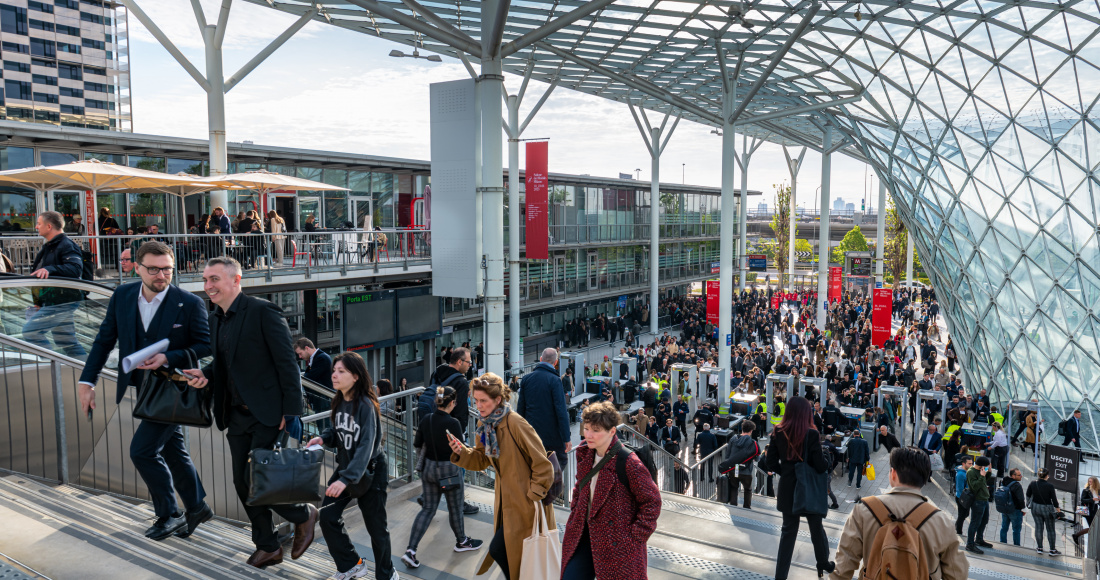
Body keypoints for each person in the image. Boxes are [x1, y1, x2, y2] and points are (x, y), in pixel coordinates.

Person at [183, 256, 317, 568]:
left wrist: (291, 411)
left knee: (257, 480)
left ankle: (303, 514)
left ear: (235, 280)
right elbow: (223, 362)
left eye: (214, 279)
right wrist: (206, 373)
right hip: (235, 413)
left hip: (268, 412)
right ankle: (268, 545)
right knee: (242, 484)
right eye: (205, 280)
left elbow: (287, 363)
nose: (208, 286)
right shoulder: (215, 318)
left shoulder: (262, 311)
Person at [77, 241, 212, 540]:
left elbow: (205, 345)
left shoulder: (189, 303)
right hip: (142, 388)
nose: (161, 275)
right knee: (173, 450)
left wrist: (169, 357)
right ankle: (197, 506)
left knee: (142, 451)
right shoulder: (123, 295)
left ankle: (170, 514)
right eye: (153, 269)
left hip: (173, 391)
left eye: (167, 269)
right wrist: (87, 381)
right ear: (136, 268)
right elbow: (103, 340)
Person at [448, 373, 555, 580]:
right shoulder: (486, 425)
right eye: (475, 400)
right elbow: (481, 459)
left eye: (483, 401)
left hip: (526, 505)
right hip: (507, 503)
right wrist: (461, 451)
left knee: (517, 555)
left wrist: (533, 495)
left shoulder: (514, 423)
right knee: (507, 553)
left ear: (497, 400)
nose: (478, 405)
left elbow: (542, 464)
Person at [302, 352, 397, 580]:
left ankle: (386, 574)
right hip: (347, 467)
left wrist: (345, 479)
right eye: (334, 370)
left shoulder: (366, 405)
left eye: (341, 371)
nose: (334, 375)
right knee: (327, 517)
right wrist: (323, 438)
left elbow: (366, 446)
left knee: (377, 529)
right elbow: (338, 431)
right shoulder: (338, 400)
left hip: (370, 471)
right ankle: (350, 564)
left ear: (355, 376)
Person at [829, 447, 968, 580]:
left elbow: (844, 564)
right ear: (925, 478)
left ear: (893, 473)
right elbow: (957, 573)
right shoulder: (940, 520)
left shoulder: (863, 510)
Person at [560, 401, 662, 580]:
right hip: (584, 533)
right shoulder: (585, 451)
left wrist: (633, 537)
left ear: (612, 431)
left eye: (596, 430)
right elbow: (580, 485)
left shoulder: (628, 462)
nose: (589, 435)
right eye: (587, 428)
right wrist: (575, 507)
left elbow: (652, 501)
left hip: (616, 543)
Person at [401, 384, 483, 570]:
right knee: (455, 508)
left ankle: (411, 551)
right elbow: (461, 450)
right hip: (450, 471)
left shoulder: (426, 419)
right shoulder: (453, 423)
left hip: (429, 468)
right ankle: (462, 541)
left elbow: (417, 443)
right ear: (452, 403)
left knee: (428, 509)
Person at [766, 396, 834, 579]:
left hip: (788, 490)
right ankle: (823, 563)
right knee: (816, 528)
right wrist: (827, 458)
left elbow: (770, 461)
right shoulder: (811, 434)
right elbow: (820, 466)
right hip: (808, 489)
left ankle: (780, 576)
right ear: (806, 413)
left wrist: (787, 473)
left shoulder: (778, 431)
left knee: (788, 533)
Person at [22, 211, 87, 358]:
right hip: (57, 300)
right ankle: (86, 371)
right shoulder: (50, 246)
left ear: (49, 226)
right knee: (66, 340)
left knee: (31, 332)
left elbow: (75, 269)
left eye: (39, 224)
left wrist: (49, 269)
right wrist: (39, 302)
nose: (36, 227)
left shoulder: (66, 245)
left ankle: (50, 366)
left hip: (61, 301)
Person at [428, 347, 478, 515]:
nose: (470, 365)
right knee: (459, 466)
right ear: (459, 362)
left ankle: (428, 497)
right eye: (469, 362)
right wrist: (460, 433)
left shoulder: (438, 373)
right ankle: (458, 503)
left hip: (435, 424)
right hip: (452, 430)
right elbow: (462, 412)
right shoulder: (461, 382)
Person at [515, 348, 573, 461]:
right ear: (555, 362)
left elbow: (520, 409)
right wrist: (566, 438)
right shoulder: (555, 380)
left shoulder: (526, 379)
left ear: (541, 359)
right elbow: (561, 411)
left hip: (530, 434)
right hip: (551, 438)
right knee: (557, 464)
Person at [719, 419, 758, 509]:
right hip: (747, 471)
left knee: (734, 487)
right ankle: (746, 508)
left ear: (742, 428)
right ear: (751, 431)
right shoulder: (753, 442)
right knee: (748, 489)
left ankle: (733, 507)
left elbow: (727, 455)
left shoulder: (733, 439)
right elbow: (757, 457)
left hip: (734, 469)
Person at [1027, 467, 1061, 555]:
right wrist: (1058, 511)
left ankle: (1039, 548)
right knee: (1050, 529)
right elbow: (1054, 500)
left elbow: (1028, 494)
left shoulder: (1033, 483)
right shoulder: (1050, 486)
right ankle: (1052, 550)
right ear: (1047, 476)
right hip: (1047, 509)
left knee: (1038, 527)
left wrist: (1028, 504)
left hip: (1035, 507)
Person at [964, 456, 993, 554]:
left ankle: (979, 539)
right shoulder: (971, 472)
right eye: (985, 466)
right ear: (981, 465)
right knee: (975, 522)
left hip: (984, 499)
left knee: (984, 520)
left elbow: (984, 481)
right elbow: (975, 487)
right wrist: (981, 476)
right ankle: (970, 544)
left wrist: (988, 472)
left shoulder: (981, 470)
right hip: (977, 501)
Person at [999, 468, 1026, 546]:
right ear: (1013, 476)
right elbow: (1021, 499)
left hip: (1004, 508)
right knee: (1016, 530)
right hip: (1015, 510)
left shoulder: (1003, 482)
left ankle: (1003, 543)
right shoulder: (1017, 485)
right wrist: (1023, 509)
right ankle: (1016, 546)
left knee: (1004, 527)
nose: (1021, 476)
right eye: (1019, 475)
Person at [954, 455, 973, 535]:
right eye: (969, 464)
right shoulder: (961, 475)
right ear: (963, 464)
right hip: (962, 498)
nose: (971, 465)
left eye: (971, 463)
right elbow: (960, 489)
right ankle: (958, 532)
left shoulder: (966, 472)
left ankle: (956, 525)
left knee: (965, 514)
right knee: (962, 516)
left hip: (965, 497)